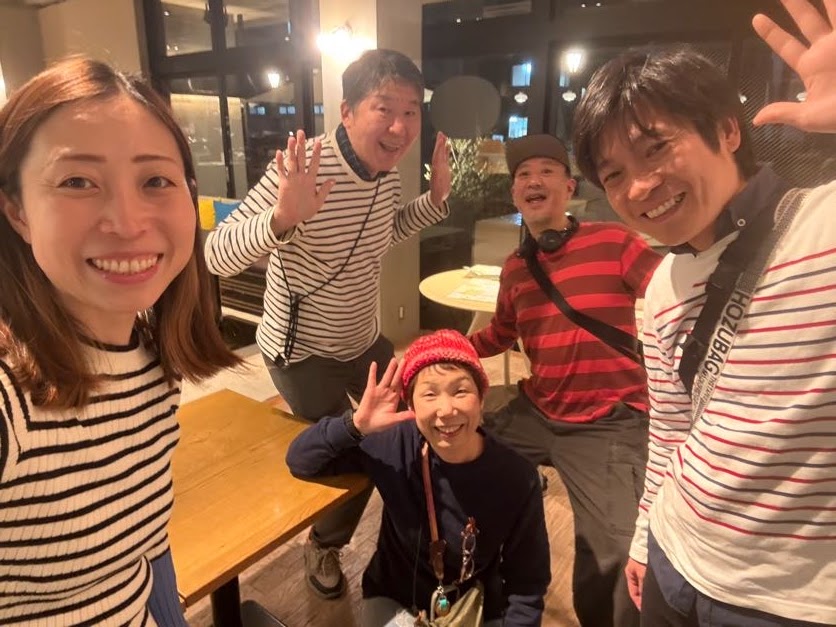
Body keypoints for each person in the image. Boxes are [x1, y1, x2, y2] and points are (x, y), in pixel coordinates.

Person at [571, 0, 836, 624]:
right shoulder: (662, 285)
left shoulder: (822, 225)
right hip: (675, 554)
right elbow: (670, 428)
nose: (639, 187)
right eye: (614, 174)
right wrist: (645, 537)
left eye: (656, 149)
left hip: (785, 600)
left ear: (727, 131)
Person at [0, 57, 241, 625]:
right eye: (77, 182)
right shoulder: (11, 395)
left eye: (155, 180)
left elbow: (144, 555)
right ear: (17, 212)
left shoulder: (151, 358)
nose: (128, 222)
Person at [204, 48, 451, 598]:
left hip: (362, 337)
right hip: (302, 352)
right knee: (353, 453)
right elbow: (215, 255)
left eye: (411, 112)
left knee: (413, 424)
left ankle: (421, 537)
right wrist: (280, 219)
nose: (399, 127)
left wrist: (433, 201)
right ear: (346, 111)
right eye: (384, 108)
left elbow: (380, 235)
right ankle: (324, 542)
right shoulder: (302, 168)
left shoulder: (386, 170)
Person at [468, 133, 660, 627]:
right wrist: (446, 351)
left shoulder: (614, 242)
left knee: (613, 553)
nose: (534, 180)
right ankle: (478, 576)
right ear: (515, 194)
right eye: (523, 175)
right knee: (451, 439)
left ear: (569, 187)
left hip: (608, 420)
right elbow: (500, 333)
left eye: (547, 171)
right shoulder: (516, 268)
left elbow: (674, 295)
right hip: (538, 408)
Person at [286, 330, 551, 626]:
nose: (446, 410)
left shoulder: (516, 476)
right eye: (429, 394)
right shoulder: (392, 444)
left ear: (481, 398)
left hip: (475, 603)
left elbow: (528, 583)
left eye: (460, 391)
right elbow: (301, 461)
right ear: (411, 404)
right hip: (396, 597)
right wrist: (355, 424)